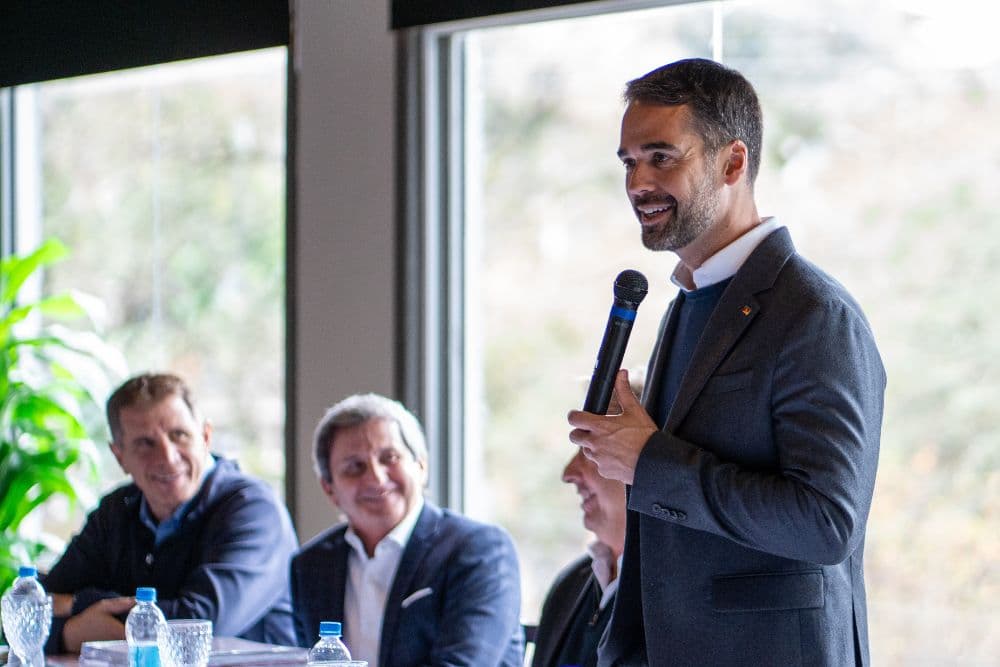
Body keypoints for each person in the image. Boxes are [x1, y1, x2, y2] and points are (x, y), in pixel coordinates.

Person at [567, 58, 886, 667]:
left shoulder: (815, 314)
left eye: (662, 157)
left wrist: (650, 461)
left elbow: (825, 523)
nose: (638, 182)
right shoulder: (686, 305)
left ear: (733, 162)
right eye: (629, 162)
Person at [42, 372, 298, 653]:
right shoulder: (117, 511)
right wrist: (71, 633)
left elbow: (198, 625)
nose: (167, 457)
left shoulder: (253, 510)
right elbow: (30, 610)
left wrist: (80, 605)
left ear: (206, 436)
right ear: (120, 456)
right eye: (145, 444)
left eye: (179, 435)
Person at [290, 392, 523, 667]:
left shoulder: (479, 550)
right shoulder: (310, 566)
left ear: (421, 466)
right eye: (354, 467)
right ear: (329, 489)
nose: (376, 477)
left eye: (389, 457)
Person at [532, 377, 641, 667]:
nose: (569, 473)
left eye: (588, 449)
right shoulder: (570, 585)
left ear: (637, 456)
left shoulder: (678, 593)